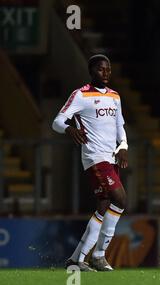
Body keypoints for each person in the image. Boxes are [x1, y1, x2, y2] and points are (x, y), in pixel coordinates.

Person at [52, 54, 128, 271]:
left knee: (104, 206)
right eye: (101, 70)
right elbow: (57, 121)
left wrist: (123, 146)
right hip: (95, 157)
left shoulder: (115, 96)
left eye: (108, 70)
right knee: (120, 199)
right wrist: (69, 128)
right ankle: (100, 255)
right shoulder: (81, 95)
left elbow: (119, 126)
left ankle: (76, 259)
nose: (106, 74)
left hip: (111, 157)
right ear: (92, 71)